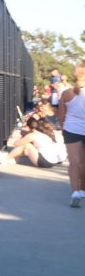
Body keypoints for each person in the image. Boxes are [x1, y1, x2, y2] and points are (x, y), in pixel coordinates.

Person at [57, 62, 85, 207]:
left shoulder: (67, 93)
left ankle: (75, 192)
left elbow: (61, 115)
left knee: (74, 162)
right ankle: (83, 190)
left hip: (72, 130)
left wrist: (64, 129)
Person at [0, 118, 65, 168]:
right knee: (27, 147)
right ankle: (13, 159)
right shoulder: (44, 134)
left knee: (26, 145)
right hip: (53, 161)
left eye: (25, 127)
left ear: (29, 128)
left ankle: (5, 158)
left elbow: (15, 144)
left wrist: (24, 136)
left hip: (45, 162)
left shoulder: (33, 135)